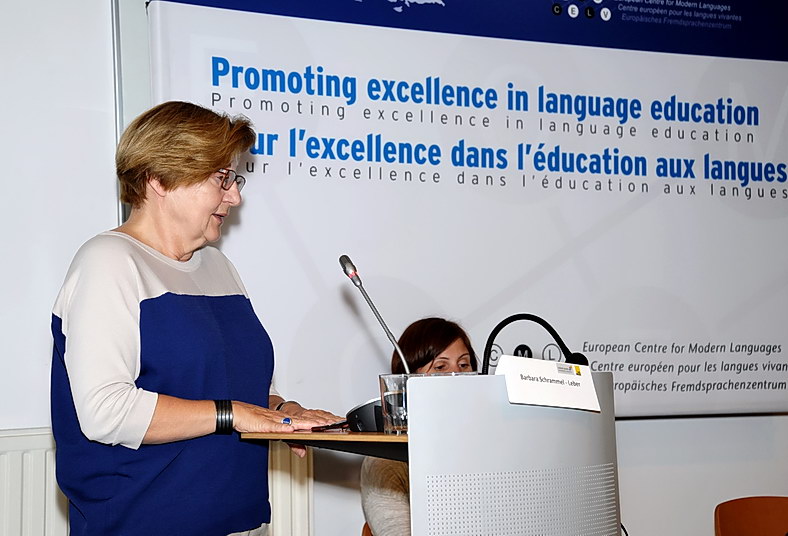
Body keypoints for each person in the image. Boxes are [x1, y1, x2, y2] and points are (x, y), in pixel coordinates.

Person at [50, 101, 340, 536]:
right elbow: (105, 411)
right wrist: (233, 414)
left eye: (234, 179)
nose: (235, 196)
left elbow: (234, 388)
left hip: (240, 521)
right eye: (221, 178)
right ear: (159, 179)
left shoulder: (218, 266)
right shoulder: (108, 262)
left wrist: (282, 413)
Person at [359, 317, 478, 536]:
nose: (457, 376)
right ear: (408, 379)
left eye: (464, 365)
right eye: (440, 367)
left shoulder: (488, 444)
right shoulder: (385, 459)